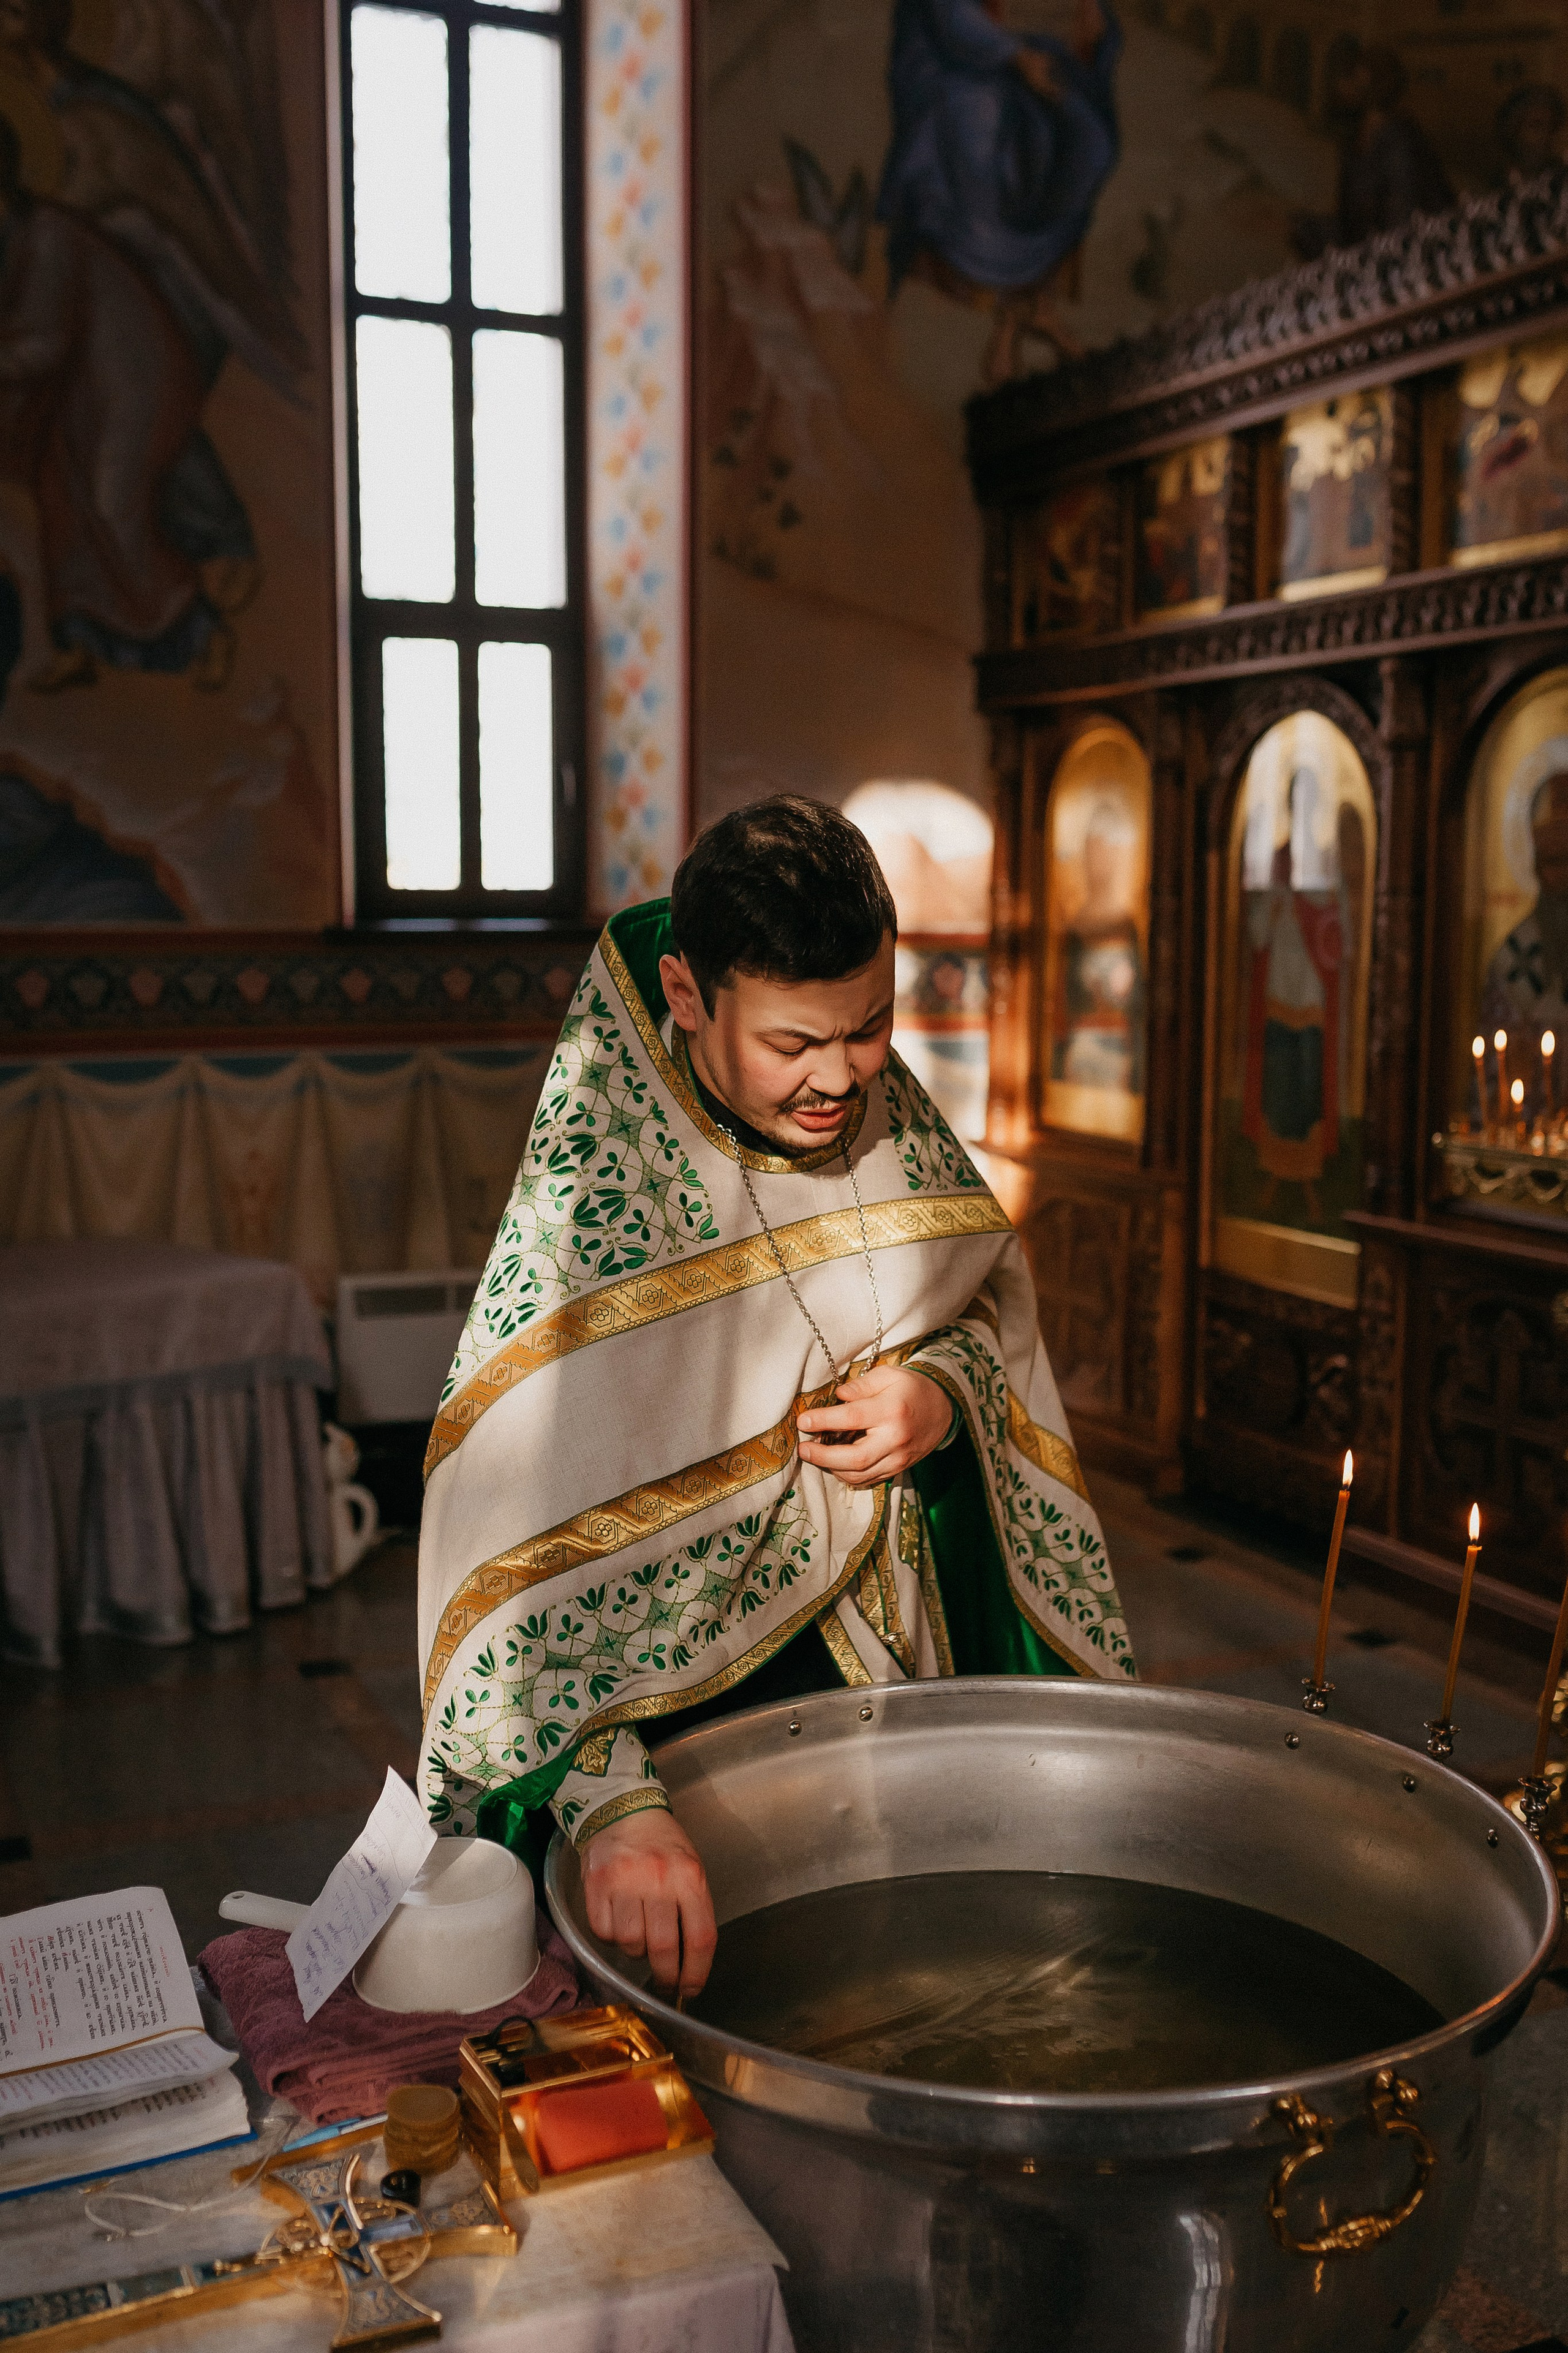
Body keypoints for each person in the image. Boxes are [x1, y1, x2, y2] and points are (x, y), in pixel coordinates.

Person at [418, 798, 1134, 2000]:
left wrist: (940, 1398)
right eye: (795, 1042)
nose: (839, 1079)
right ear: (688, 995)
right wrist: (605, 1799)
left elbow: (980, 1315)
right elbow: (502, 1565)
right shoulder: (591, 1199)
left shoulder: (874, 1112)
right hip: (672, 1748)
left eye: (868, 1029)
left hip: (881, 1683)